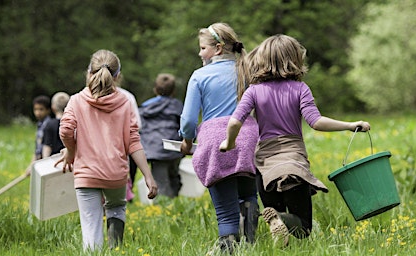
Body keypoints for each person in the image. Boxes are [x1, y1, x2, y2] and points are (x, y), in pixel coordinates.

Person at [219, 34, 371, 246]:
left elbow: (235, 122)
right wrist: (350, 125)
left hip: (265, 166)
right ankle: (280, 220)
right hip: (293, 164)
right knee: (303, 228)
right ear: (294, 60)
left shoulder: (253, 91)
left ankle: (275, 219)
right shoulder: (300, 89)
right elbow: (316, 122)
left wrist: (229, 143)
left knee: (276, 217)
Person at [56, 49, 158, 252]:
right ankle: (116, 250)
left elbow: (66, 130)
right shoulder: (125, 102)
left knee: (91, 223)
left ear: (88, 73)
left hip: (86, 173)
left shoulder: (76, 100)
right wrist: (148, 175)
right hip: (116, 173)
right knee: (116, 208)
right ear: (117, 76)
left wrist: (71, 151)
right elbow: (134, 142)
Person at [179, 22, 259, 253]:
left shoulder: (199, 76)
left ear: (218, 48)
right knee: (248, 195)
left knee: (225, 211)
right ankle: (251, 245)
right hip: (248, 137)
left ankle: (229, 248)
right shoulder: (246, 70)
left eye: (203, 48)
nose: (199, 53)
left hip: (216, 141)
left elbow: (188, 120)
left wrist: (186, 140)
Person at [139, 73, 184, 198]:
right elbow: (185, 126)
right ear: (174, 90)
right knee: (174, 177)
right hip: (174, 147)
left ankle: (167, 207)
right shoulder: (178, 105)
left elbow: (139, 128)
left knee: (161, 182)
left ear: (155, 89)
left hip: (154, 149)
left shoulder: (145, 107)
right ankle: (173, 205)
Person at [25, 95, 52, 175]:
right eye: (35, 109)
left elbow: (43, 148)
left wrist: (32, 165)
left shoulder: (48, 125)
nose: (38, 113)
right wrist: (32, 165)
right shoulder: (40, 125)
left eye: (41, 109)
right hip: (39, 161)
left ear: (48, 110)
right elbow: (37, 148)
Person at [42, 92, 70, 158]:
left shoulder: (49, 124)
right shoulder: (73, 123)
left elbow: (47, 147)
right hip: (69, 159)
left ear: (53, 107)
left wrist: (45, 160)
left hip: (54, 162)